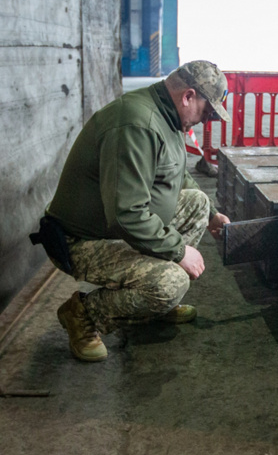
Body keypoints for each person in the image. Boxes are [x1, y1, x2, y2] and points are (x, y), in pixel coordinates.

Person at [42, 60, 231, 362]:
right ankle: (84, 314)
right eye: (207, 112)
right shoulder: (137, 124)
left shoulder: (168, 117)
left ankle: (152, 305)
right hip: (81, 240)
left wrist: (211, 216)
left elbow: (177, 173)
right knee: (172, 281)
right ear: (188, 96)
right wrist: (179, 251)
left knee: (198, 203)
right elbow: (125, 215)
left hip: (113, 227)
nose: (206, 121)